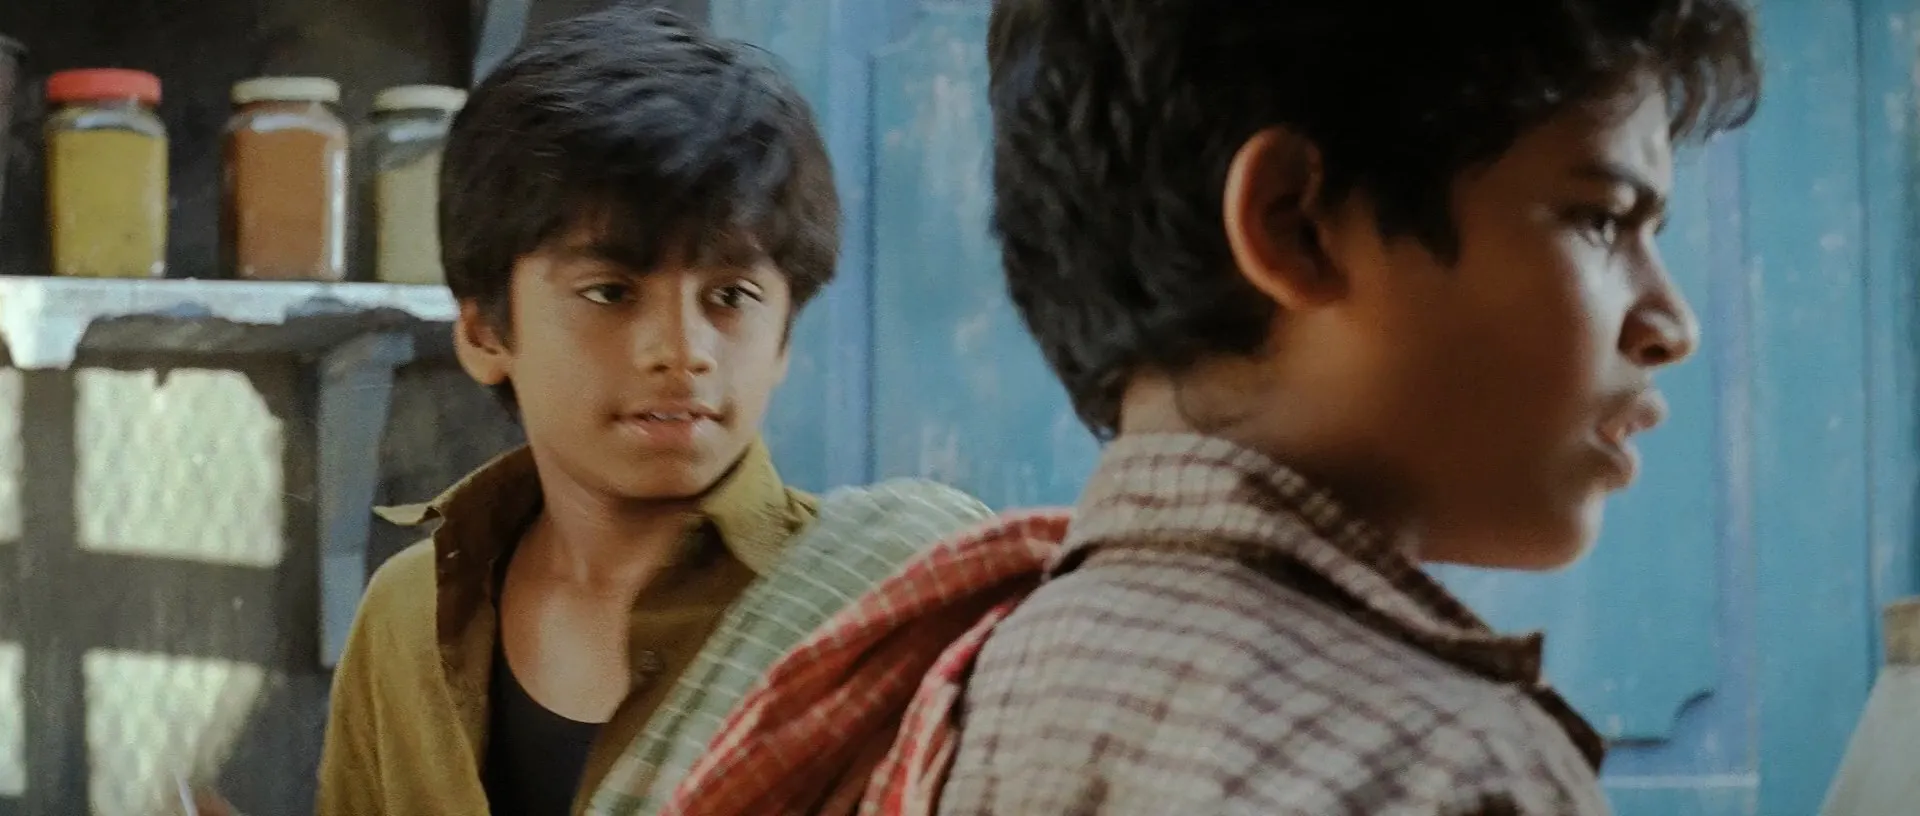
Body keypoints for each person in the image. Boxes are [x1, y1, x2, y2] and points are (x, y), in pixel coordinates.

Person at [640, 1, 1764, 814]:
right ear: (1295, 226)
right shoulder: (1450, 770)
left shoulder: (981, 671)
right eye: (1601, 218)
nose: (1670, 322)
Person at [260, 7, 988, 816]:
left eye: (730, 296)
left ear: (785, 337)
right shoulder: (411, 618)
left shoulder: (883, 609)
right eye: (610, 292)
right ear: (486, 332)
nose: (681, 351)